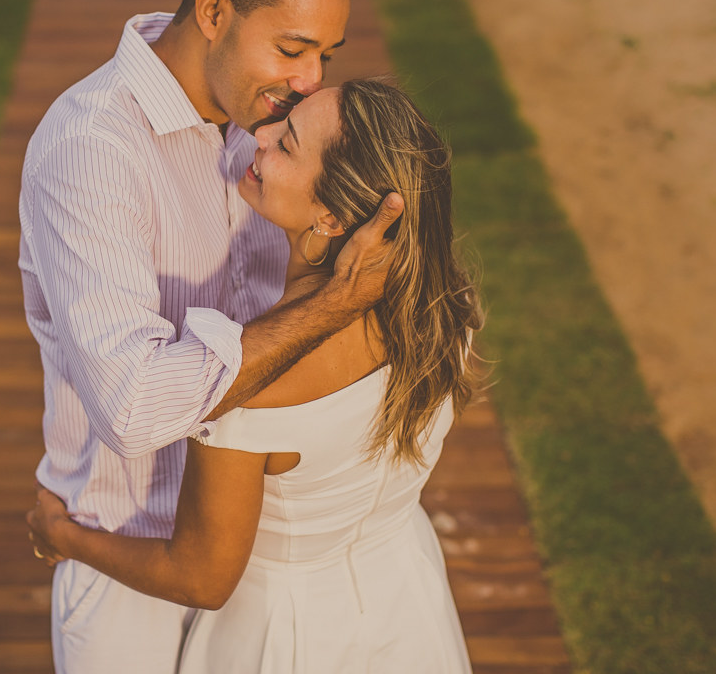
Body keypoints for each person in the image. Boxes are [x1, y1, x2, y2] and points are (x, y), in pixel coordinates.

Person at [17, 0, 404, 673]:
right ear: (215, 12)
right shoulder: (91, 149)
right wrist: (328, 307)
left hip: (267, 550)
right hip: (133, 555)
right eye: (293, 48)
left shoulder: (270, 127)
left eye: (326, 54)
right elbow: (133, 410)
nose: (310, 82)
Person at [28, 78, 483, 673]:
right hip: (403, 601)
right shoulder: (444, 314)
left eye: (288, 143)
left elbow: (201, 579)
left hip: (283, 640)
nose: (259, 137)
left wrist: (62, 537)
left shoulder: (249, 392)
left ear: (332, 215)